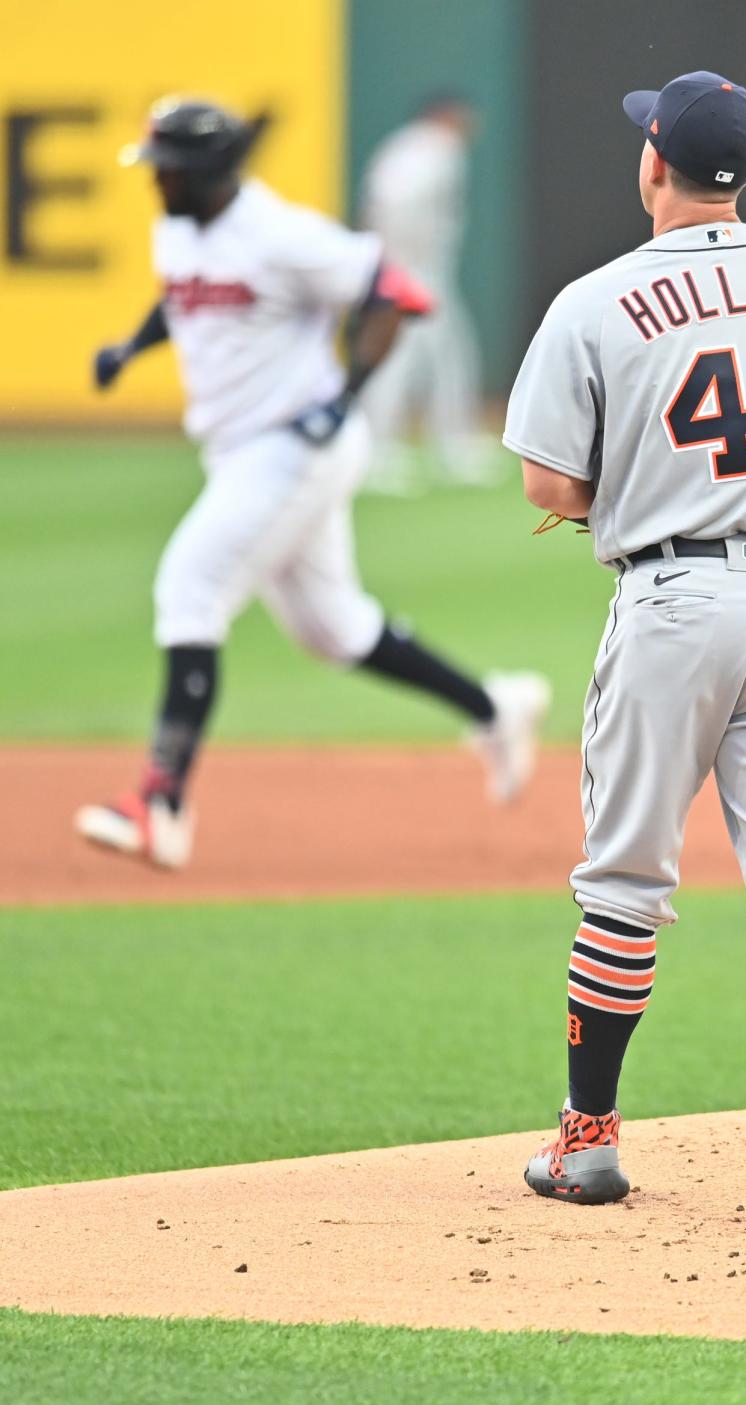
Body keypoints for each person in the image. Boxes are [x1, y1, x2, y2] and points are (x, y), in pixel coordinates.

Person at [503, 72, 746, 1223]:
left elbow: (550, 481)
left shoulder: (595, 299)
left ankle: (586, 1143)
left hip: (672, 600)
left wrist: (640, 487)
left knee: (625, 878)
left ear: (653, 164)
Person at [76, 97, 549, 869]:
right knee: (334, 627)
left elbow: (395, 293)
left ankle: (159, 804)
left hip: (293, 443)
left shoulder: (281, 235)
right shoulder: (181, 227)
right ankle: (496, 707)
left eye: (166, 170)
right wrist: (129, 349)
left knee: (189, 584)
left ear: (203, 173)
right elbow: (180, 293)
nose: (154, 182)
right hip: (238, 449)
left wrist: (345, 394)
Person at [357, 95, 488, 488]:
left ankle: (453, 446)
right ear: (446, 115)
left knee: (448, 355)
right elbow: (393, 203)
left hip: (416, 269)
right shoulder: (432, 147)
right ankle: (378, 451)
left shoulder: (411, 146)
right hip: (413, 270)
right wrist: (404, 267)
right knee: (399, 356)